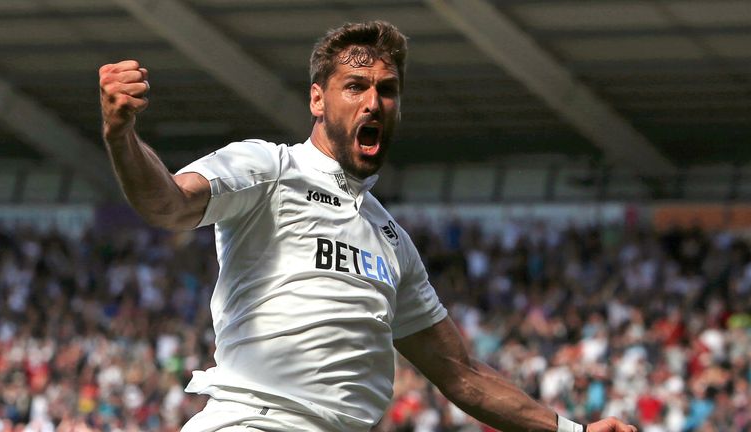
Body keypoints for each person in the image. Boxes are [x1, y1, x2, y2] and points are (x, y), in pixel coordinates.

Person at [99, 20, 637, 432]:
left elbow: (463, 375)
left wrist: (573, 430)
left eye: (387, 89)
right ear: (317, 99)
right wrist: (121, 135)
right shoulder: (269, 168)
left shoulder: (392, 241)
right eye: (354, 86)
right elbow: (167, 203)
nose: (373, 101)